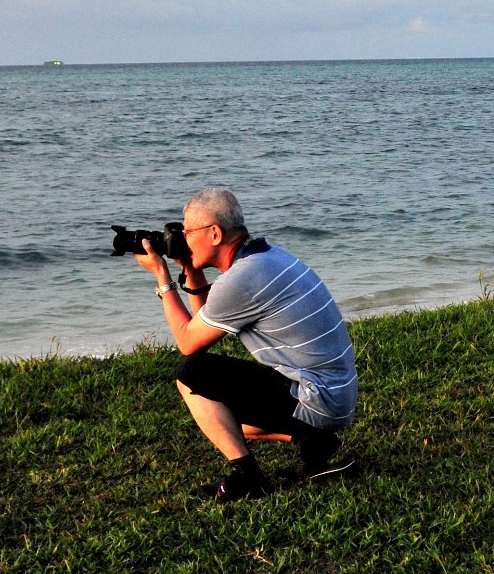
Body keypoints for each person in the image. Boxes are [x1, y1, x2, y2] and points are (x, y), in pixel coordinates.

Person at [131, 187, 360, 504]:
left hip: (316, 396)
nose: (182, 240)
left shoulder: (242, 278)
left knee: (191, 373)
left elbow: (188, 343)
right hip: (334, 395)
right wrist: (191, 269)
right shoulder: (266, 257)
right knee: (226, 421)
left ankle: (248, 478)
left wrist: (161, 276)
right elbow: (205, 323)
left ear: (214, 234)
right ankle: (315, 439)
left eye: (187, 232)